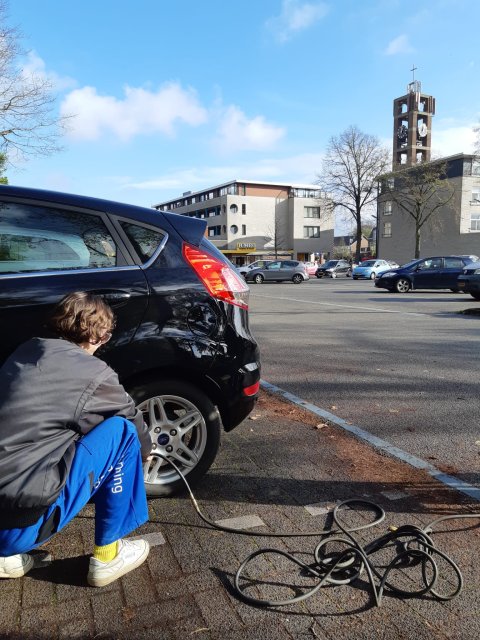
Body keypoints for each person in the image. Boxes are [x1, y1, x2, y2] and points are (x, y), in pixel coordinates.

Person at [0, 292, 153, 587]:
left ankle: (6, 556)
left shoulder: (25, 351)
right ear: (102, 336)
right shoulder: (96, 373)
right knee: (121, 432)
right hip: (21, 525)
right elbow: (131, 422)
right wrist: (145, 451)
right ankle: (108, 556)